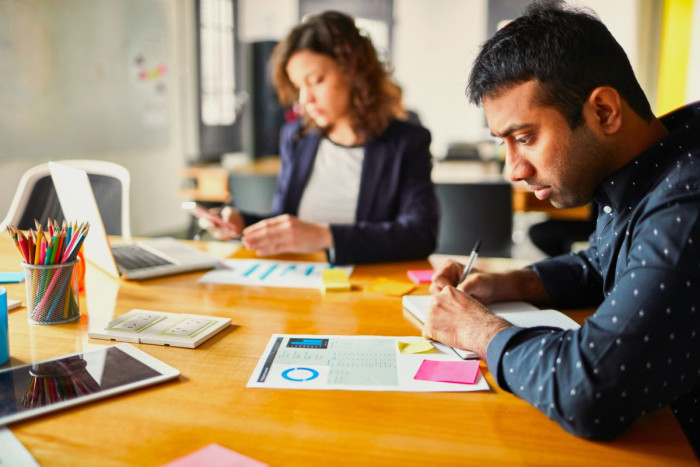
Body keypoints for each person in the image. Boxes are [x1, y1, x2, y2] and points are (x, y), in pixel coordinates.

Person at [423, 0, 700, 450]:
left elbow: (591, 389)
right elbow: (600, 263)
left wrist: (479, 331)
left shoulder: (686, 202)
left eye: (525, 138)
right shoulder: (646, 167)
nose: (514, 169)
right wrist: (509, 284)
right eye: (504, 144)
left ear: (604, 111)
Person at [202, 11, 438, 265]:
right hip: (300, 280)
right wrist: (242, 222)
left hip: (365, 284)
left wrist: (325, 236)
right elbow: (288, 223)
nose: (305, 99)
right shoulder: (297, 138)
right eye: (299, 86)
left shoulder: (407, 142)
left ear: (354, 71)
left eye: (315, 81)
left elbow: (420, 235)